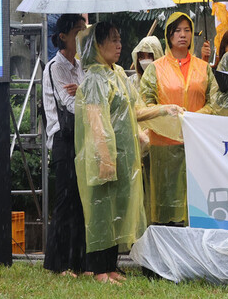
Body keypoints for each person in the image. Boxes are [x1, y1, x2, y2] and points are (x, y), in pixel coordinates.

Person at [74, 22, 178, 284]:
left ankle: (111, 267)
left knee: (116, 212)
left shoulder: (118, 73)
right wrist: (105, 157)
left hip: (124, 156)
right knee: (102, 212)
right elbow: (96, 120)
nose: (119, 45)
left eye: (120, 39)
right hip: (106, 157)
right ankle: (99, 269)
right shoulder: (96, 78)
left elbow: (135, 110)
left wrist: (164, 110)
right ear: (97, 45)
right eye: (112, 40)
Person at [139, 12, 217, 225]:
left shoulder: (203, 68)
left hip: (197, 143)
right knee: (165, 203)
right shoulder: (156, 68)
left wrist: (193, 118)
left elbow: (215, 102)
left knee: (196, 203)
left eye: (187, 30)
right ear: (169, 35)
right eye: (177, 31)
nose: (183, 35)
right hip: (164, 146)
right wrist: (168, 115)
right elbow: (145, 104)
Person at [42, 14, 87, 276]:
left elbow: (82, 96)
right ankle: (57, 264)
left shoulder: (80, 67)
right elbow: (68, 104)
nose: (81, 37)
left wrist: (81, 89)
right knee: (64, 200)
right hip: (62, 139)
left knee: (80, 200)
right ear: (63, 37)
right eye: (77, 32)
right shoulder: (54, 67)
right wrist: (84, 92)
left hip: (79, 136)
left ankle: (78, 262)